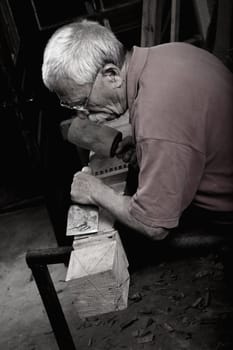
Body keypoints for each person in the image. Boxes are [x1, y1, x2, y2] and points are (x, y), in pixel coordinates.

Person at [41, 19, 233, 242]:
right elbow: (185, 131)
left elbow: (154, 226)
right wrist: (144, 145)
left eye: (84, 102)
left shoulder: (156, 115)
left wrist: (96, 192)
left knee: (124, 239)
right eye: (73, 107)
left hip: (223, 216)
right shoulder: (169, 53)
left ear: (111, 74)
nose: (85, 116)